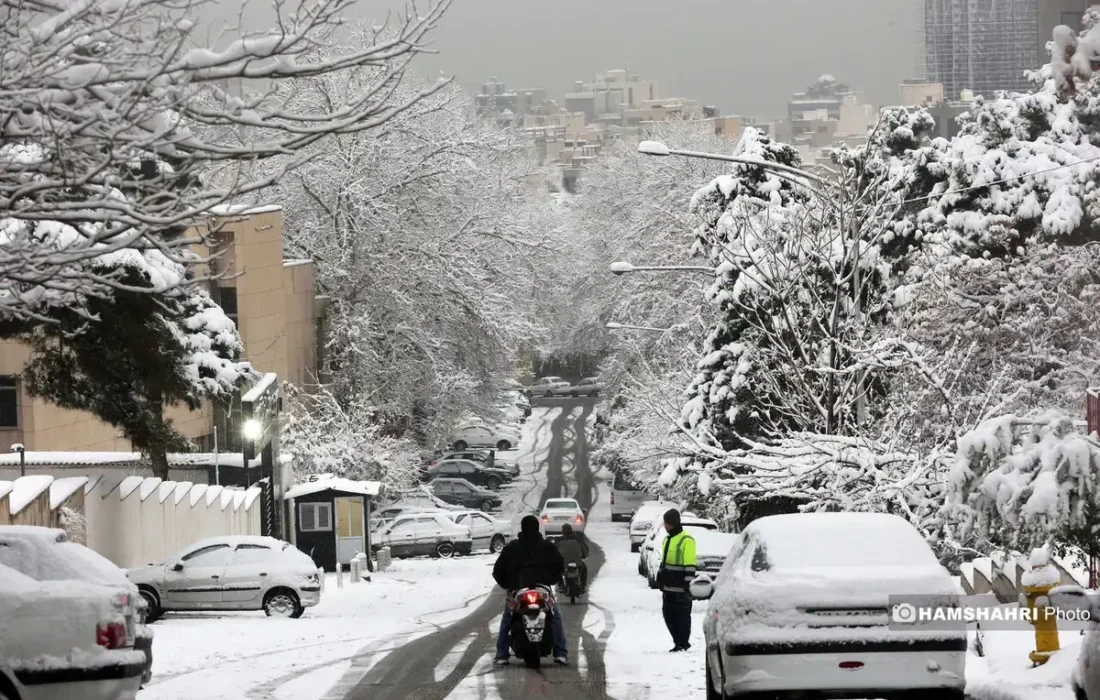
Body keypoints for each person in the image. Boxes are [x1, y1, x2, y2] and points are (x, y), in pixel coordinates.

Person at [491, 515, 569, 666]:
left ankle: (502, 654)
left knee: (508, 617)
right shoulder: (547, 547)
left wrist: (508, 585)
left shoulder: (512, 548)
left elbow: (498, 570)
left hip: (518, 589)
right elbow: (559, 566)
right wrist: (552, 579)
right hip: (542, 589)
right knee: (555, 616)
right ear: (537, 528)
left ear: (522, 528)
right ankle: (560, 653)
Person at [656, 508, 696, 652]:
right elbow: (664, 562)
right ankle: (677, 641)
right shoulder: (667, 539)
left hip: (681, 588)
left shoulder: (687, 540)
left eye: (666, 523)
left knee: (682, 617)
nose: (665, 526)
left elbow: (690, 564)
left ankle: (682, 643)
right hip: (668, 587)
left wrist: (688, 585)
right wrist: (660, 578)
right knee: (668, 615)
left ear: (672, 523)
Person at [553, 523, 589, 591]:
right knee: (584, 570)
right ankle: (582, 585)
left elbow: (554, 552)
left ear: (562, 531)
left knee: (557, 571)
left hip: (563, 563)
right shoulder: (577, 539)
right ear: (571, 530)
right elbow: (584, 549)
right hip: (578, 562)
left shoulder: (558, 540)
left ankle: (561, 586)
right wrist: (584, 556)